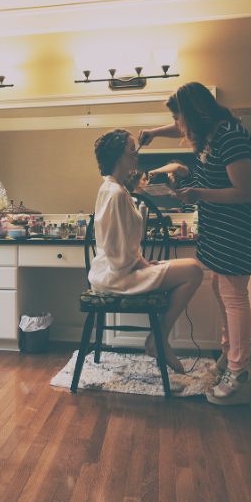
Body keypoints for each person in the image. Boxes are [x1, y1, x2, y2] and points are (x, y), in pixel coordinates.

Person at [139, 83, 251, 405]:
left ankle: (239, 372)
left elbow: (244, 192)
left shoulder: (230, 137)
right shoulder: (212, 133)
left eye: (177, 117)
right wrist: (155, 131)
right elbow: (179, 126)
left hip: (238, 233)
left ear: (194, 114)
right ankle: (229, 356)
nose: (176, 124)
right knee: (221, 293)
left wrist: (197, 194)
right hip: (219, 232)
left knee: (234, 296)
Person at [89, 129, 204, 374]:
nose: (137, 155)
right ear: (119, 156)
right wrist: (140, 264)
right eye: (132, 150)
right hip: (119, 276)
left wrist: (143, 262)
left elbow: (122, 248)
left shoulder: (113, 188)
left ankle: (158, 338)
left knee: (189, 269)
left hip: (116, 271)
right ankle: (159, 339)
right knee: (193, 270)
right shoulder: (117, 194)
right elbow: (117, 252)